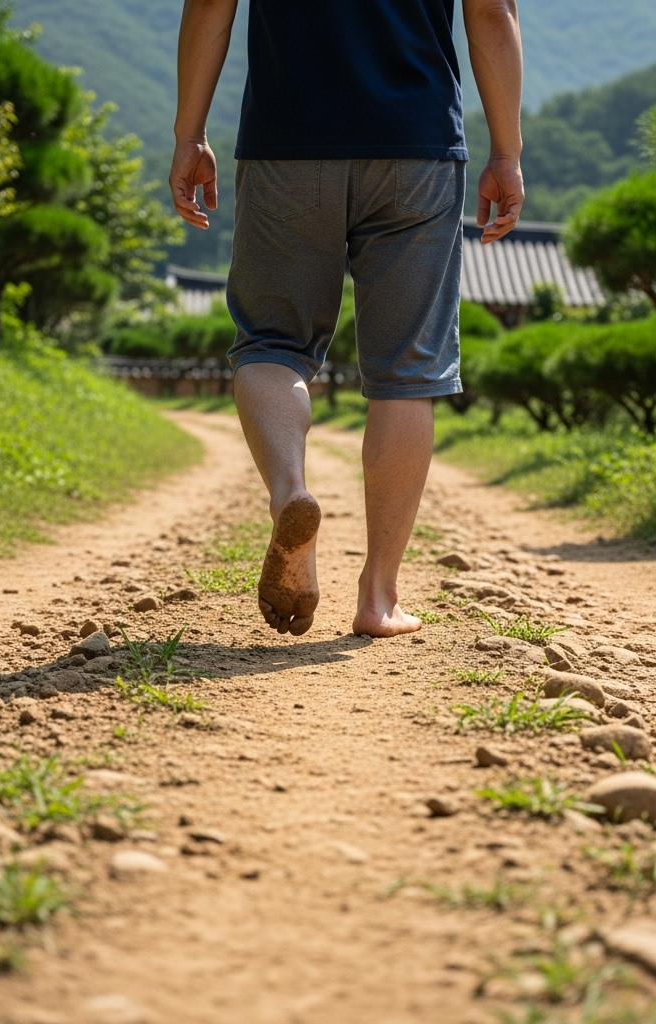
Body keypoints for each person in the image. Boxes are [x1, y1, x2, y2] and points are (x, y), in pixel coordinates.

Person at [170, 0, 524, 639]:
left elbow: (210, 6)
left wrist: (189, 135)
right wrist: (507, 152)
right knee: (407, 370)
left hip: (287, 142)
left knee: (272, 342)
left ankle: (290, 492)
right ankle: (378, 597)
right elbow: (492, 12)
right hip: (417, 146)